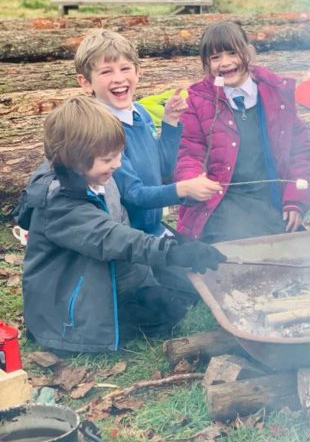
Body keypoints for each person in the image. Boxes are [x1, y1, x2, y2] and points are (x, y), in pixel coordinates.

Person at [16, 96, 225, 353]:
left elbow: (126, 220)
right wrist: (170, 252)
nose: (117, 164)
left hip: (106, 278)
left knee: (175, 301)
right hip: (68, 310)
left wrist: (177, 243)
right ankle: (82, 336)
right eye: (108, 159)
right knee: (161, 315)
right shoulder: (60, 203)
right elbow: (111, 238)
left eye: (118, 156)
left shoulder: (97, 176)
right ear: (75, 158)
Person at [175, 20, 310, 242]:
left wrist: (295, 200)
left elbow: (299, 152)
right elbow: (189, 153)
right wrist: (192, 181)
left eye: (231, 53)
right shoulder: (198, 102)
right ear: (207, 64)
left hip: (269, 200)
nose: (225, 63)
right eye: (215, 57)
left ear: (247, 53)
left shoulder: (276, 93)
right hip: (221, 204)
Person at [74, 29, 221, 237]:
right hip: (129, 236)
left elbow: (163, 168)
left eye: (125, 68)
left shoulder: (140, 114)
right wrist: (183, 189)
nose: (119, 78)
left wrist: (170, 122)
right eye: (106, 72)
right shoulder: (101, 131)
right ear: (86, 82)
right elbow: (133, 194)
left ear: (138, 72)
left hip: (154, 227)